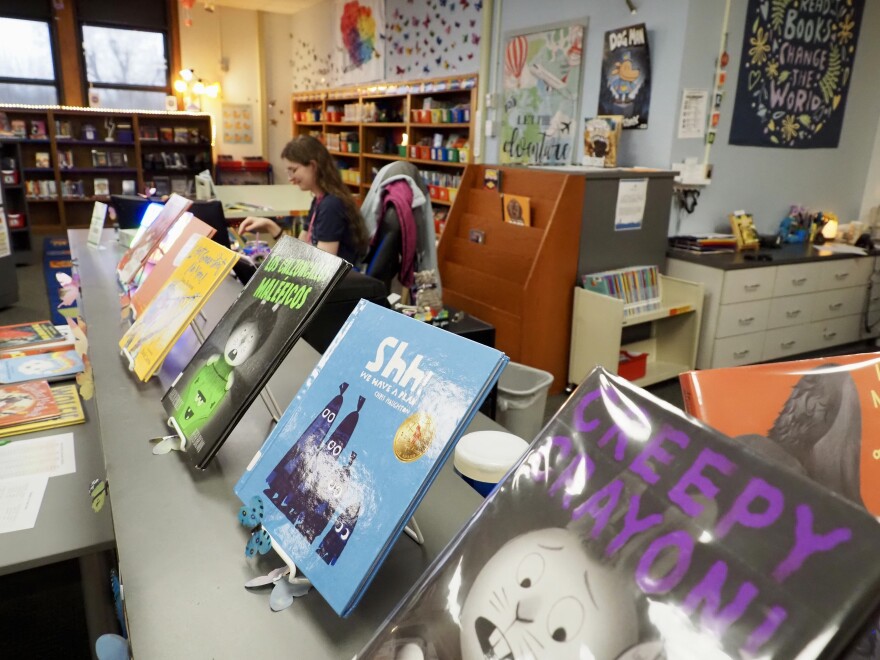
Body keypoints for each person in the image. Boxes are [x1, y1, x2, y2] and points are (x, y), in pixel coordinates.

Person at [238, 136, 369, 265]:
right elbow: (298, 250)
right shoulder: (319, 200)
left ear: (313, 166)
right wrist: (269, 225)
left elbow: (322, 268)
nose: (291, 178)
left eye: (293, 170)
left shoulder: (331, 206)